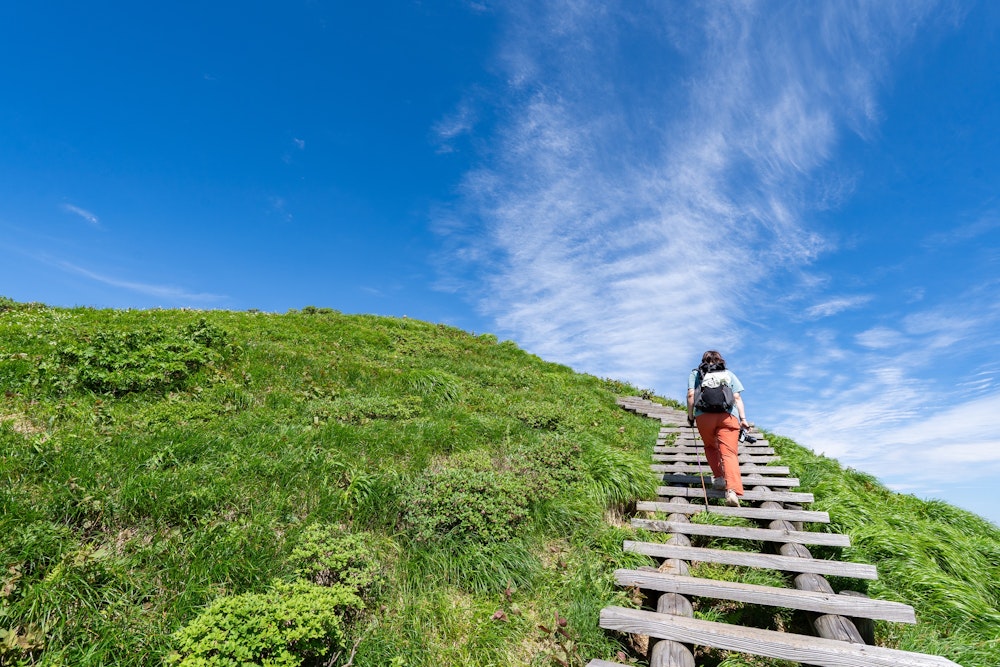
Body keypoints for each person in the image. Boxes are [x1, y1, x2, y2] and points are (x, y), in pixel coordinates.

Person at [686, 350, 750, 507]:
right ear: (720, 360)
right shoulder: (728, 373)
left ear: (703, 360)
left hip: (704, 416)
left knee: (710, 446)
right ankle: (732, 491)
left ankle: (719, 478)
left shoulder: (696, 373)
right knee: (729, 453)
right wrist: (743, 419)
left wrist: (690, 416)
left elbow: (690, 395)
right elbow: (737, 397)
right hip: (728, 416)